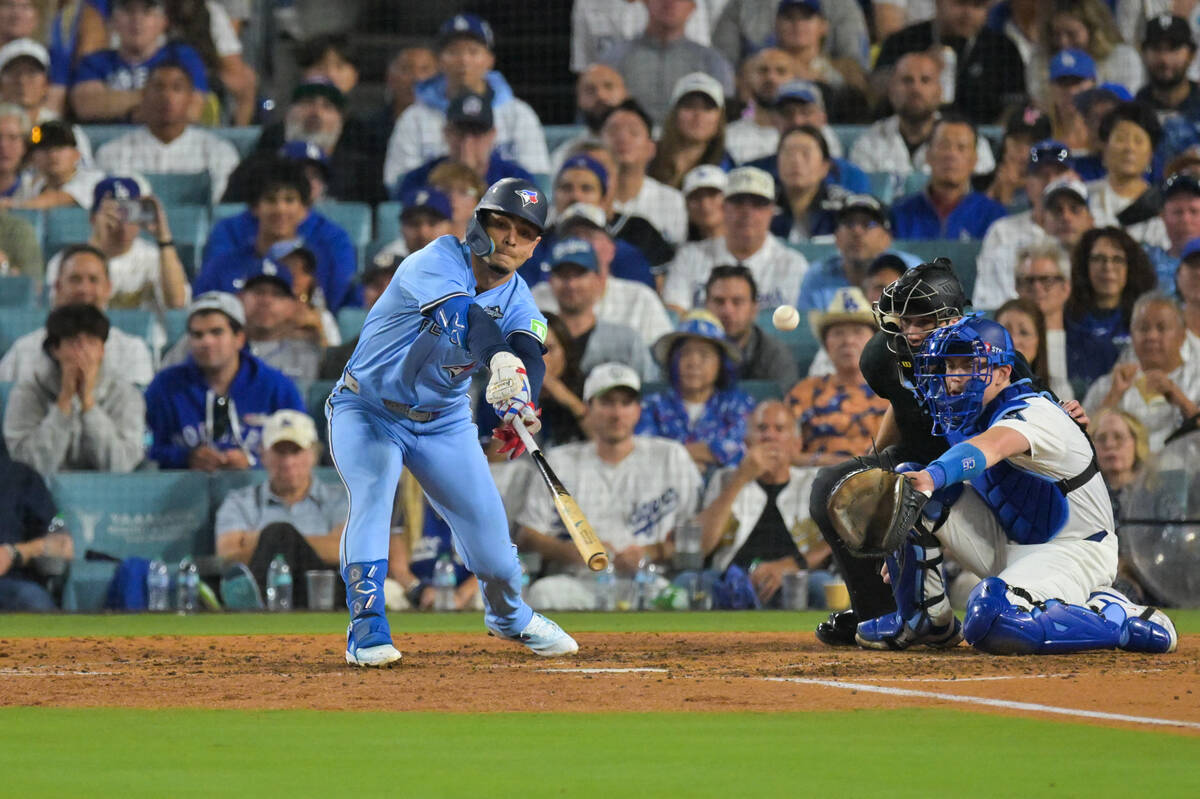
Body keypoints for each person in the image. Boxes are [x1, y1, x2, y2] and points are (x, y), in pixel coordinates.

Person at [328, 176, 578, 665]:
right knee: (374, 498)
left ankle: (509, 617)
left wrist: (524, 402)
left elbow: (530, 351)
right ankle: (367, 627)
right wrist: (500, 361)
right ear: (478, 223)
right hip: (367, 408)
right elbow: (466, 318)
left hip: (443, 422)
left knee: (495, 552)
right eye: (501, 224)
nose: (510, 238)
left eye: (525, 232)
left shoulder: (521, 298)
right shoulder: (437, 259)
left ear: (535, 246)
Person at [854, 314, 1177, 655]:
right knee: (905, 489)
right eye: (949, 365)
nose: (955, 376)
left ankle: (1117, 617)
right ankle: (925, 621)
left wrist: (932, 476)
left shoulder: (1035, 410)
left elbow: (992, 446)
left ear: (1003, 373)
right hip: (1012, 543)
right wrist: (907, 548)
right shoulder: (965, 417)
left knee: (991, 620)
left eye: (968, 364)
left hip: (1075, 550)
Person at [805, 260, 1074, 647]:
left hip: (981, 465)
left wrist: (1067, 415)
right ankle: (878, 612)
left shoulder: (991, 352)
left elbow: (1027, 416)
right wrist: (870, 471)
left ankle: (1051, 587)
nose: (911, 332)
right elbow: (900, 403)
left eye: (924, 321)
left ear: (953, 318)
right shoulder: (881, 355)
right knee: (833, 486)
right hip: (916, 452)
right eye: (905, 321)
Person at [517, 362, 703, 610]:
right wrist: (576, 552)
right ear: (588, 408)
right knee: (543, 594)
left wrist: (650, 552)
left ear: (638, 410)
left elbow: (695, 533)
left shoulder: (670, 456)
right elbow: (528, 535)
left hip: (649, 581)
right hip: (580, 584)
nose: (617, 413)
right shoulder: (559, 461)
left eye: (626, 403)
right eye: (607, 403)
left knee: (681, 599)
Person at [695, 399, 836, 608]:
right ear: (747, 442)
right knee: (689, 582)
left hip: (796, 579)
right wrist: (741, 478)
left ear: (796, 443)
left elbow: (842, 538)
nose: (769, 436)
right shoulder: (725, 479)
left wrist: (795, 564)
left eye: (779, 429)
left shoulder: (815, 482)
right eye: (761, 428)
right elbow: (700, 547)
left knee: (823, 584)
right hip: (732, 579)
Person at [383, 13, 550, 189]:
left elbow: (539, 182)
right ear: (439, 61)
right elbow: (398, 184)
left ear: (490, 60)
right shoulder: (414, 117)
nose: (463, 60)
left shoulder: (519, 114)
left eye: (473, 51)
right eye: (453, 52)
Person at [144, 291, 304, 470]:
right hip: (183, 487)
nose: (206, 342)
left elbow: (302, 448)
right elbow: (147, 449)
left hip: (261, 486)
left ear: (239, 338)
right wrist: (186, 458)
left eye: (216, 332)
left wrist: (252, 462)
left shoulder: (276, 386)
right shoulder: (166, 386)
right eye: (197, 335)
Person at [214, 410, 356, 609]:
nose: (288, 462)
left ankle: (255, 603)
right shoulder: (239, 502)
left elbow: (348, 553)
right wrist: (320, 542)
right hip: (268, 584)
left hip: (322, 593)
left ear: (314, 454)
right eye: (280, 452)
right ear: (263, 454)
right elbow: (228, 557)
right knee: (278, 533)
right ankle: (258, 601)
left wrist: (268, 540)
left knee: (279, 533)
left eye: (296, 451)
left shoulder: (341, 499)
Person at [199, 158, 358, 313]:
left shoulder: (317, 265)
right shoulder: (223, 265)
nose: (280, 209)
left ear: (304, 209)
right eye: (270, 200)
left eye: (289, 200)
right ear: (254, 207)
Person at [2, 303, 145, 475]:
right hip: (41, 490)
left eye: (91, 343)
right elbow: (27, 466)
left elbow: (121, 465)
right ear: (55, 349)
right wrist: (64, 403)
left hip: (108, 490)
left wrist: (88, 405)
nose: (82, 353)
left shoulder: (126, 395)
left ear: (102, 350)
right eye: (73, 343)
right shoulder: (28, 392)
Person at [0, 244, 154, 387]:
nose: (84, 289)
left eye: (93, 280)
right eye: (75, 279)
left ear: (108, 288)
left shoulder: (132, 351)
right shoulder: (24, 351)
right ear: (58, 287)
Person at [663, 166, 808, 313]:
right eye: (738, 202)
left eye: (758, 203)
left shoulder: (793, 265)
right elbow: (675, 312)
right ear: (723, 208)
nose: (747, 212)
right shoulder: (690, 257)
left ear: (771, 211)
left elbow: (800, 322)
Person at [94, 60, 239, 204]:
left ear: (191, 97)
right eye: (158, 88)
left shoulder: (219, 152)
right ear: (143, 95)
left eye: (177, 88)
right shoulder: (113, 152)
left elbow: (224, 209)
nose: (167, 97)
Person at [533, 203, 673, 349]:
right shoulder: (538, 297)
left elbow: (662, 353)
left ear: (611, 248)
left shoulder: (640, 299)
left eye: (589, 236)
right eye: (570, 236)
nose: (579, 243)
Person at [223, 78, 384, 205]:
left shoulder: (363, 175)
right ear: (287, 114)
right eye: (307, 102)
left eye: (327, 106)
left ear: (341, 122)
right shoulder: (254, 170)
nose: (316, 112)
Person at [44, 177, 188, 315]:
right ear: (93, 219)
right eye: (114, 214)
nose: (123, 223)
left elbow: (177, 303)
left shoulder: (155, 258)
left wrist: (163, 238)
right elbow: (58, 311)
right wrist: (98, 241)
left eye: (129, 213)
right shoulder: (67, 262)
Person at [873, 0, 1026, 125]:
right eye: (960, 3)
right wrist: (917, 66)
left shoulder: (1002, 48)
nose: (968, 13)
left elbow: (1016, 107)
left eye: (977, 5)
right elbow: (875, 90)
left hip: (981, 141)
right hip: (909, 136)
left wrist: (993, 138)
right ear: (938, 3)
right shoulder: (904, 40)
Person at [638, 311, 755, 473]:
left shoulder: (739, 404)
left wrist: (678, 456)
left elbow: (743, 450)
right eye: (685, 354)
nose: (693, 362)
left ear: (720, 363)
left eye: (704, 355)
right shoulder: (652, 406)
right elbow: (643, 454)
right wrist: (704, 455)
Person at [530, 236, 657, 384]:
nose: (571, 284)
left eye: (579, 274)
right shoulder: (533, 337)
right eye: (563, 275)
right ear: (550, 280)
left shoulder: (626, 340)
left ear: (598, 279)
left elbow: (651, 389)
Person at [849, 51, 995, 179]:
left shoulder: (970, 143)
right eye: (907, 80)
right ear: (891, 90)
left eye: (925, 80)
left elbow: (980, 195)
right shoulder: (869, 142)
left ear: (940, 91)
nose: (916, 88)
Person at [1084, 292, 1200, 452]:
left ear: (1182, 335)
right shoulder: (1108, 385)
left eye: (1161, 328)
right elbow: (1081, 444)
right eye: (1143, 328)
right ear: (1132, 333)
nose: (1151, 336)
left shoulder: (1197, 380)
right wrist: (1113, 396)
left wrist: (1180, 400)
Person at [785, 288, 888, 466]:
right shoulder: (805, 392)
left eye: (858, 331)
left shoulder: (893, 394)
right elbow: (786, 454)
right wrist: (833, 463)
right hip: (813, 477)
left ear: (874, 341)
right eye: (838, 333)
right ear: (826, 344)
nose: (848, 341)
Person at [972, 139, 1076, 310]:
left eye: (1059, 173)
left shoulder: (1084, 229)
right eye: (1041, 175)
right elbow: (988, 299)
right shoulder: (1002, 231)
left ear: (1074, 179)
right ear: (1027, 183)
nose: (1050, 181)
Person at [68, 0, 208, 123]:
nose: (137, 19)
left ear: (163, 21)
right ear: (112, 21)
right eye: (128, 11)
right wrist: (160, 100)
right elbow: (86, 106)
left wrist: (116, 104)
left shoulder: (182, 56)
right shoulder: (94, 62)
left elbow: (192, 109)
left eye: (147, 12)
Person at [601, 0, 734, 125]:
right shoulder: (615, 58)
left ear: (692, 7)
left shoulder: (713, 62)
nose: (670, 2)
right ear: (646, 1)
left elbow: (725, 114)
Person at [395, 91, 535, 199]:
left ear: (492, 135)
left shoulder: (517, 181)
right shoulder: (419, 179)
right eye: (460, 132)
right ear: (446, 133)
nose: (467, 143)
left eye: (477, 133)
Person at [889, 115, 1008, 240]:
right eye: (944, 146)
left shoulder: (993, 216)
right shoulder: (900, 214)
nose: (951, 155)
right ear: (928, 155)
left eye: (961, 148)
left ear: (974, 160)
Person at [1065, 225, 1158, 383]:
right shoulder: (1066, 319)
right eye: (1098, 259)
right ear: (1084, 265)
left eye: (1117, 259)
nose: (1108, 267)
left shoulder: (1147, 320)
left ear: (1131, 267)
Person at [798, 194, 920, 313]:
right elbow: (807, 325)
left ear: (887, 238)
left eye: (868, 224)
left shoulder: (911, 272)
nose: (857, 231)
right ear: (837, 236)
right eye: (849, 223)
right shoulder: (817, 276)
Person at [1026, 0, 1145, 109]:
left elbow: (1126, 104)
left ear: (1093, 30)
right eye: (1056, 34)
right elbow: (1040, 104)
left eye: (1071, 34)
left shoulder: (1123, 58)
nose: (1063, 42)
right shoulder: (1040, 60)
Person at [601, 99, 688, 245]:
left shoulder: (672, 200)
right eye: (614, 132)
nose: (623, 138)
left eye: (633, 132)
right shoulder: (586, 196)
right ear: (598, 145)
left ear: (651, 149)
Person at [0, 434, 69, 611]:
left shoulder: (21, 477)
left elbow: (63, 545)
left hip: (10, 584)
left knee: (33, 600)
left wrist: (13, 553)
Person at [1087, 101, 1169, 249]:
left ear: (1151, 154)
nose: (1129, 148)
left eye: (1138, 141)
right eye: (1120, 139)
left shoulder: (1163, 205)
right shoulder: (1086, 196)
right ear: (1104, 147)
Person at [711, 0, 870, 76]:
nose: (797, 24)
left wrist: (798, 68)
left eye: (806, 18)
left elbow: (857, 72)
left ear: (823, 26)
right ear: (776, 24)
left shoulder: (844, 6)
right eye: (789, 18)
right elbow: (724, 68)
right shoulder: (740, 5)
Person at [704, 264, 797, 389]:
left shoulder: (775, 356)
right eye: (719, 301)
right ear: (706, 306)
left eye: (737, 302)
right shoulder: (688, 352)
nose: (727, 311)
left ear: (754, 309)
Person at [356, 46, 438, 169]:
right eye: (406, 69)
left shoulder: (448, 124)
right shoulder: (365, 128)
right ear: (390, 77)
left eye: (425, 70)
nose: (416, 78)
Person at [1013, 241, 1076, 400]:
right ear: (1017, 288)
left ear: (1066, 287)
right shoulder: (1009, 344)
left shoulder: (1087, 343)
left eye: (1046, 280)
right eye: (1029, 281)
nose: (1037, 288)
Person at [317, 259, 399, 381]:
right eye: (376, 286)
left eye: (395, 287)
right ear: (364, 294)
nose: (384, 295)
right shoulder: (340, 359)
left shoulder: (426, 352)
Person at [647, 72, 730, 191]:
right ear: (674, 114)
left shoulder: (728, 166)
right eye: (689, 106)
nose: (698, 115)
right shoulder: (648, 156)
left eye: (707, 108)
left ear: (720, 118)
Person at [1, 120, 103, 210]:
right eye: (45, 148)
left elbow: (58, 198)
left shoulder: (93, 179)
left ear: (77, 154)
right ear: (33, 157)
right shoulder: (30, 187)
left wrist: (12, 205)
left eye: (60, 147)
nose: (52, 154)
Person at [769, 125, 843, 243]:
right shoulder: (761, 205)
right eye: (789, 153)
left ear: (825, 167)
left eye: (806, 154)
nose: (796, 161)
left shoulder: (842, 207)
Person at [549, 63, 628, 174]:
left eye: (608, 86)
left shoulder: (647, 143)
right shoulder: (566, 155)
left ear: (625, 93)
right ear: (579, 100)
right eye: (590, 90)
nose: (601, 95)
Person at [725, 47, 793, 165]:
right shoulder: (730, 135)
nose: (771, 78)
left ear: (794, 78)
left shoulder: (810, 136)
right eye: (763, 71)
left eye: (781, 71)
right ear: (749, 78)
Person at [1134, 15, 1200, 123]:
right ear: (1143, 53)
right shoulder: (1135, 111)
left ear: (1191, 54)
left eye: (1174, 49)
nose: (1165, 59)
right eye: (1156, 48)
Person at [1143, 172, 1200, 293]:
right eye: (1178, 212)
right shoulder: (1147, 262)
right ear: (1163, 217)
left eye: (1194, 211)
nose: (1186, 220)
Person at [1091, 407, 1150, 521]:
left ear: (1137, 443)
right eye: (1101, 438)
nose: (1110, 445)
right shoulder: (1084, 496)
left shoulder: (1158, 498)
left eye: (1119, 437)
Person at [374, 187, 454, 263]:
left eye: (433, 223)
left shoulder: (460, 260)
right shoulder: (391, 257)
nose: (423, 233)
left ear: (450, 227)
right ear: (401, 228)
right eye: (414, 224)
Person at [995, 298, 1051, 388]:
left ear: (1039, 341)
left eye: (1024, 333)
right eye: (1005, 332)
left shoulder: (1057, 390)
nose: (1014, 340)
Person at [682, 164, 725, 241]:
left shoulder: (747, 244)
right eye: (696, 197)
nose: (705, 204)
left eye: (712, 194)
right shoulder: (680, 248)